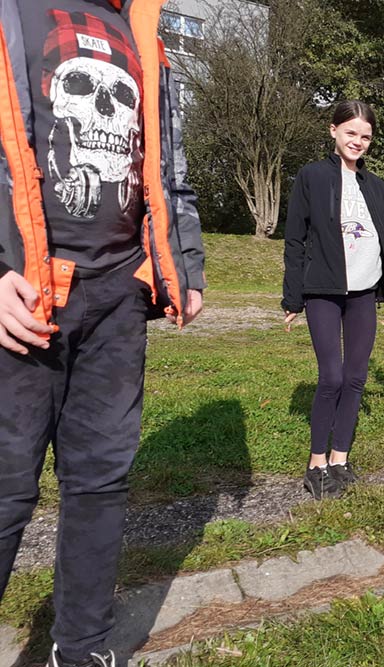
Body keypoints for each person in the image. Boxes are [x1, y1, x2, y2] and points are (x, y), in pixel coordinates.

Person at [0, 1, 206, 665]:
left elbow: (167, 159)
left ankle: (81, 647)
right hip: (23, 290)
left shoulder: (139, 27)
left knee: (99, 481)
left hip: (118, 295)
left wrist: (186, 260)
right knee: (6, 484)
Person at [282, 100, 384, 501]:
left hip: (364, 292)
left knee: (355, 378)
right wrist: (292, 297)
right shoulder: (312, 177)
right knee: (331, 377)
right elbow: (295, 239)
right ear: (333, 130)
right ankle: (316, 464)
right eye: (351, 132)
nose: (358, 141)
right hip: (323, 291)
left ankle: (340, 459)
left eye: (365, 136)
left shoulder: (376, 187)